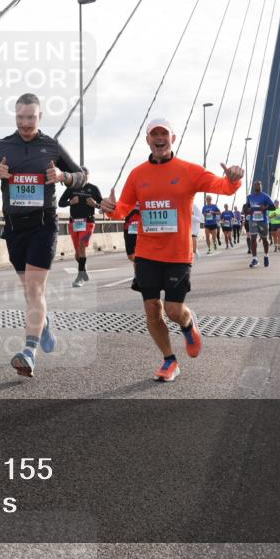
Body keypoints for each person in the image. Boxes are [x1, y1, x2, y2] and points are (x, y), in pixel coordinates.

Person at [101, 118, 243, 382]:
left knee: (174, 310)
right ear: (148, 140)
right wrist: (110, 209)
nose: (159, 138)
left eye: (163, 133)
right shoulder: (137, 174)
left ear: (172, 139)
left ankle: (189, 326)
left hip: (177, 253)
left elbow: (221, 186)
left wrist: (233, 180)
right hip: (146, 252)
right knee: (152, 309)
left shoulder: (188, 170)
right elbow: (124, 208)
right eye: (154, 134)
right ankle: (169, 360)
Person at [0, 92, 85, 377]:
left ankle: (29, 351)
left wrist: (64, 178)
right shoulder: (2, 146)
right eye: (21, 117)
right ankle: (43, 323)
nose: (25, 123)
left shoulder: (51, 146)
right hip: (14, 229)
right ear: (15, 116)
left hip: (43, 226)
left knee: (34, 289)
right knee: (30, 291)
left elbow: (83, 174)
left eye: (31, 117)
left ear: (40, 117)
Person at [58, 168, 103, 287]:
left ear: (88, 175)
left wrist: (96, 204)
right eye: (81, 174)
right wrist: (70, 202)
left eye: (85, 174)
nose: (83, 176)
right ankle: (84, 273)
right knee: (78, 253)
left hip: (88, 222)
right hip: (74, 223)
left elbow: (103, 206)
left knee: (82, 247)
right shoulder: (72, 188)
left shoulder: (93, 189)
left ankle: (79, 277)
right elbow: (60, 203)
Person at [245, 181, 275, 268]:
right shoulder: (250, 197)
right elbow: (246, 208)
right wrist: (248, 210)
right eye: (255, 184)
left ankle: (266, 255)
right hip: (253, 221)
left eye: (259, 184)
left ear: (261, 186)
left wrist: (265, 207)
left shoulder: (265, 196)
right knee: (253, 239)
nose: (257, 186)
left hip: (263, 221)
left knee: (265, 239)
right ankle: (255, 259)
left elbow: (272, 207)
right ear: (254, 187)